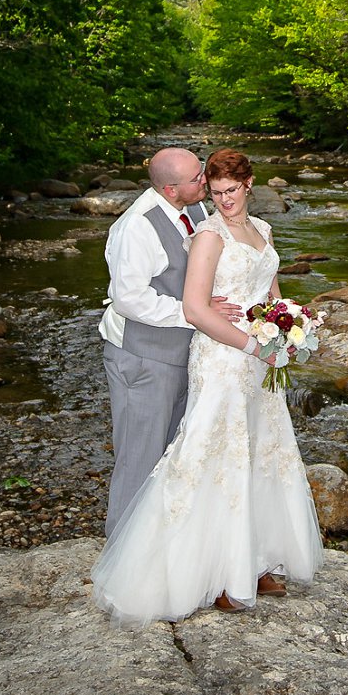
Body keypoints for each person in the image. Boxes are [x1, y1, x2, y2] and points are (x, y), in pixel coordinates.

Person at [90, 148, 324, 622]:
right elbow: (146, 300)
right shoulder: (144, 228)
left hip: (245, 357)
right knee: (171, 455)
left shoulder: (225, 217)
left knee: (258, 452)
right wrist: (249, 342)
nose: (214, 194)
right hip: (171, 354)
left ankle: (251, 557)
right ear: (171, 188)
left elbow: (265, 288)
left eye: (223, 187)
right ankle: (141, 560)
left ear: (249, 184)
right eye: (206, 185)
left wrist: (285, 325)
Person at [98, 147, 241, 536]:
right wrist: (194, 311)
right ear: (170, 189)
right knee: (139, 459)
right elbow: (130, 299)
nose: (205, 182)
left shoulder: (196, 209)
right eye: (197, 178)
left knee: (175, 455)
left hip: (186, 354)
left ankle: (161, 546)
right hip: (144, 360)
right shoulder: (136, 228)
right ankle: (121, 555)